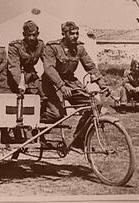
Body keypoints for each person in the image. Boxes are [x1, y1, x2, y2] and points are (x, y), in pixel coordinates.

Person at [41, 21, 104, 149]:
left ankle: (79, 140)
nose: (75, 36)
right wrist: (61, 86)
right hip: (52, 82)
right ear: (64, 34)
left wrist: (101, 83)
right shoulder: (52, 47)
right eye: (72, 34)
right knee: (57, 114)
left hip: (70, 81)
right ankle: (36, 134)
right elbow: (49, 69)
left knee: (94, 105)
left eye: (77, 33)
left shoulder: (79, 48)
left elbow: (90, 66)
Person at [0, 20, 45, 98]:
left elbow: (48, 63)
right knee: (9, 101)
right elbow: (14, 67)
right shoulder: (15, 46)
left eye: (34, 35)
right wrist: (21, 83)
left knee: (40, 97)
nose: (31, 38)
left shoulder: (40, 45)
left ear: (38, 34)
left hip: (29, 76)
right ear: (24, 35)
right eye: (29, 35)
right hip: (11, 79)